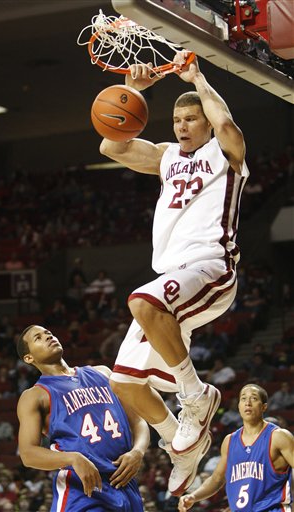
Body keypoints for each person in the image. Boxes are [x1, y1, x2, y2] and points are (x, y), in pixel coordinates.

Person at [99, 49, 249, 495]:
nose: (182, 126)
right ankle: (179, 444)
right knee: (124, 383)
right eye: (177, 121)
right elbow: (111, 144)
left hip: (210, 266)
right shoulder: (166, 156)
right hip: (172, 277)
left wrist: (199, 80)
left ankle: (196, 395)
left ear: (205, 122)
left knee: (143, 300)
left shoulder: (227, 155)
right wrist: (133, 89)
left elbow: (226, 126)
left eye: (191, 119)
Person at [16, 325, 149, 511]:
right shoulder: (35, 395)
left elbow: (138, 421)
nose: (48, 337)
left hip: (124, 482)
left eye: (49, 333)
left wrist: (138, 451)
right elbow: (28, 454)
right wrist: (72, 459)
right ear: (29, 358)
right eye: (38, 338)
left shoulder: (102, 373)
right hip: (82, 489)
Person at [178, 383, 294, 511]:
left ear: (264, 407)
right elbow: (217, 479)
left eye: (254, 398)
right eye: (243, 398)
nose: (248, 403)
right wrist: (193, 496)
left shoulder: (279, 437)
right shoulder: (230, 441)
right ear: (239, 406)